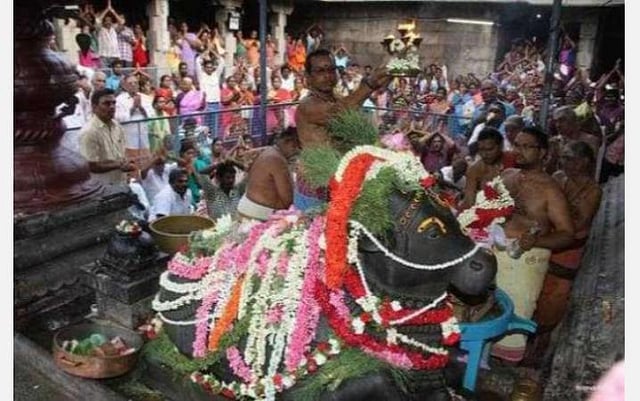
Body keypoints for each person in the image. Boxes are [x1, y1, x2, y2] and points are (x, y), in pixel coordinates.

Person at [490, 127, 575, 364]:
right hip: (492, 252)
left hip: (524, 262)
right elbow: (487, 208)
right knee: (482, 313)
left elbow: (567, 234)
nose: (519, 151)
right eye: (516, 145)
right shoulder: (507, 175)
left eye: (527, 147)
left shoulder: (550, 189)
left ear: (543, 153)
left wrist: (536, 241)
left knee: (511, 322)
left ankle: (502, 371)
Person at [523, 141, 602, 367]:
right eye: (563, 157)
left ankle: (540, 347)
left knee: (554, 298)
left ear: (584, 162)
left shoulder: (593, 191)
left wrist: (557, 218)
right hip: (549, 239)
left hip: (569, 248)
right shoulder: (558, 177)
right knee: (536, 290)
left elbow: (578, 225)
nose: (563, 162)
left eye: (569, 158)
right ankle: (526, 342)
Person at [293, 48, 391, 210]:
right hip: (315, 187)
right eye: (320, 71)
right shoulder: (307, 105)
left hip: (338, 182)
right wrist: (369, 84)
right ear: (308, 77)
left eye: (331, 70)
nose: (327, 75)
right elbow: (340, 111)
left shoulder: (336, 99)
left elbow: (350, 110)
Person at [237, 128, 300, 221]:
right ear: (289, 142)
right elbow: (288, 200)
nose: (297, 150)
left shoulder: (269, 151)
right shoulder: (277, 159)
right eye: (297, 146)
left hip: (250, 208)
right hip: (256, 215)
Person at [79, 88, 137, 187]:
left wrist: (127, 165)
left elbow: (122, 153)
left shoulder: (117, 126)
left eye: (114, 103)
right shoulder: (89, 132)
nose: (112, 107)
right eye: (106, 103)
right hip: (101, 189)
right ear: (94, 107)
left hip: (120, 184)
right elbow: (91, 166)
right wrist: (119, 165)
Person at [462, 127, 516, 209]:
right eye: (481, 150)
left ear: (501, 146)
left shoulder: (513, 159)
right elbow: (469, 201)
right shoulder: (474, 169)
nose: (484, 154)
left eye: (489, 149)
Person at [115, 74, 154, 177]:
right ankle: (133, 179)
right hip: (129, 135)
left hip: (143, 134)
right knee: (132, 162)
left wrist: (141, 107)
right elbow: (118, 118)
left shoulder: (145, 98)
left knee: (145, 160)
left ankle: (146, 178)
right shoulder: (119, 100)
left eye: (135, 83)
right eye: (130, 83)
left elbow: (151, 115)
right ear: (125, 86)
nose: (133, 85)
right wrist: (132, 108)